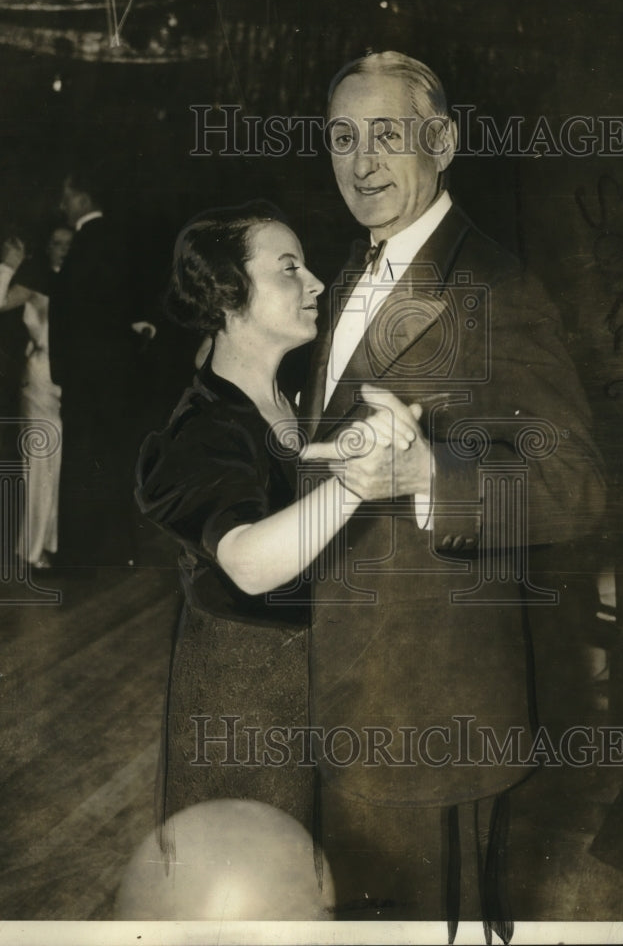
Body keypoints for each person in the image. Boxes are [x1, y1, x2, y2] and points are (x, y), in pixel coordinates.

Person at [300, 52, 607, 938]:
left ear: (443, 140)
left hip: (434, 707)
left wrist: (432, 477)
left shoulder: (498, 285)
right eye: (342, 138)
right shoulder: (346, 272)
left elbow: (576, 486)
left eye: (387, 136)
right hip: (342, 685)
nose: (361, 162)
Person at [134, 201, 423, 908]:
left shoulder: (290, 404)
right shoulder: (200, 428)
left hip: (310, 678)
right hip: (242, 694)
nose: (317, 282)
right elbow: (250, 561)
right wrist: (359, 480)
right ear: (227, 294)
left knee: (307, 885)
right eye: (289, 268)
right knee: (247, 896)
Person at [50, 167, 156, 570]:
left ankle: (78, 557)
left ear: (82, 199)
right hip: (113, 374)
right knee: (111, 459)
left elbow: (77, 315)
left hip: (87, 376)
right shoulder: (115, 238)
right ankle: (119, 549)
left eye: (66, 196)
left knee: (82, 461)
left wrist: (63, 374)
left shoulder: (88, 242)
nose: (61, 205)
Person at [0, 222, 73, 569]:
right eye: (56, 242)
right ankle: (34, 550)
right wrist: (9, 264)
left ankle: (50, 545)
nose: (63, 249)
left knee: (59, 464)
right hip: (40, 379)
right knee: (40, 464)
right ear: (47, 248)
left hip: (71, 381)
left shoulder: (79, 279)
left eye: (68, 243)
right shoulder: (37, 282)